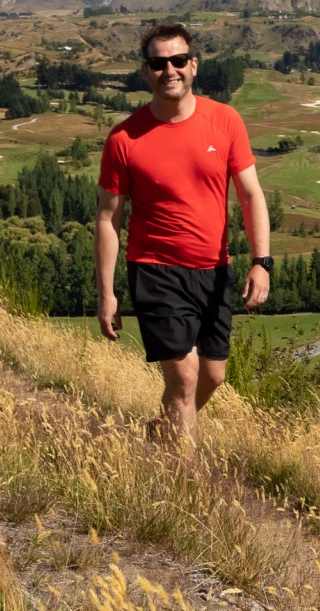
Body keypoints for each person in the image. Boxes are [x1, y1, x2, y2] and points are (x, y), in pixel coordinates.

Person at [96, 22, 271, 443]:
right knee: (185, 379)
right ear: (146, 71)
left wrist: (262, 262)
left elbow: (251, 195)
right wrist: (106, 292)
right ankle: (185, 490)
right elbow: (108, 219)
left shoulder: (224, 120)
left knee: (213, 375)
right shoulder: (123, 138)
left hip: (214, 269)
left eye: (177, 61)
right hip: (155, 269)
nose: (169, 70)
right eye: (158, 63)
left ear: (193, 65)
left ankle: (162, 430)